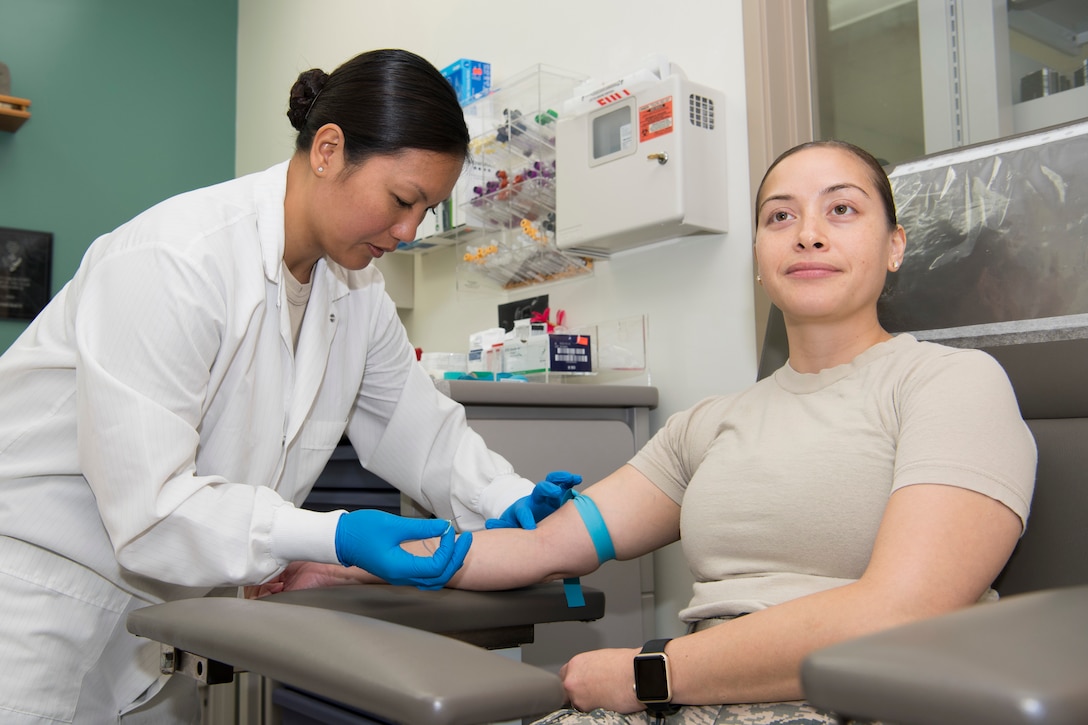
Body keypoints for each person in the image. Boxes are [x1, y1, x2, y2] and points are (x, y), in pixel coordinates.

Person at [264, 140, 1037, 724]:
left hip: (857, 696)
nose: (808, 233)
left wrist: (654, 671)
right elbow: (541, 545)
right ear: (760, 262)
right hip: (694, 699)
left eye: (843, 209)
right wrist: (353, 565)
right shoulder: (710, 424)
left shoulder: (947, 383)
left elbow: (902, 610)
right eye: (780, 216)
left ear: (895, 246)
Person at [0, 48, 573, 725]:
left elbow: (417, 426)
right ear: (328, 149)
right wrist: (336, 535)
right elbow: (150, 506)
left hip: (165, 619)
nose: (407, 231)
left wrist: (508, 500)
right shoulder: (176, 261)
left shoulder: (355, 288)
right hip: (35, 596)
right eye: (401, 200)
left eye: (427, 210)